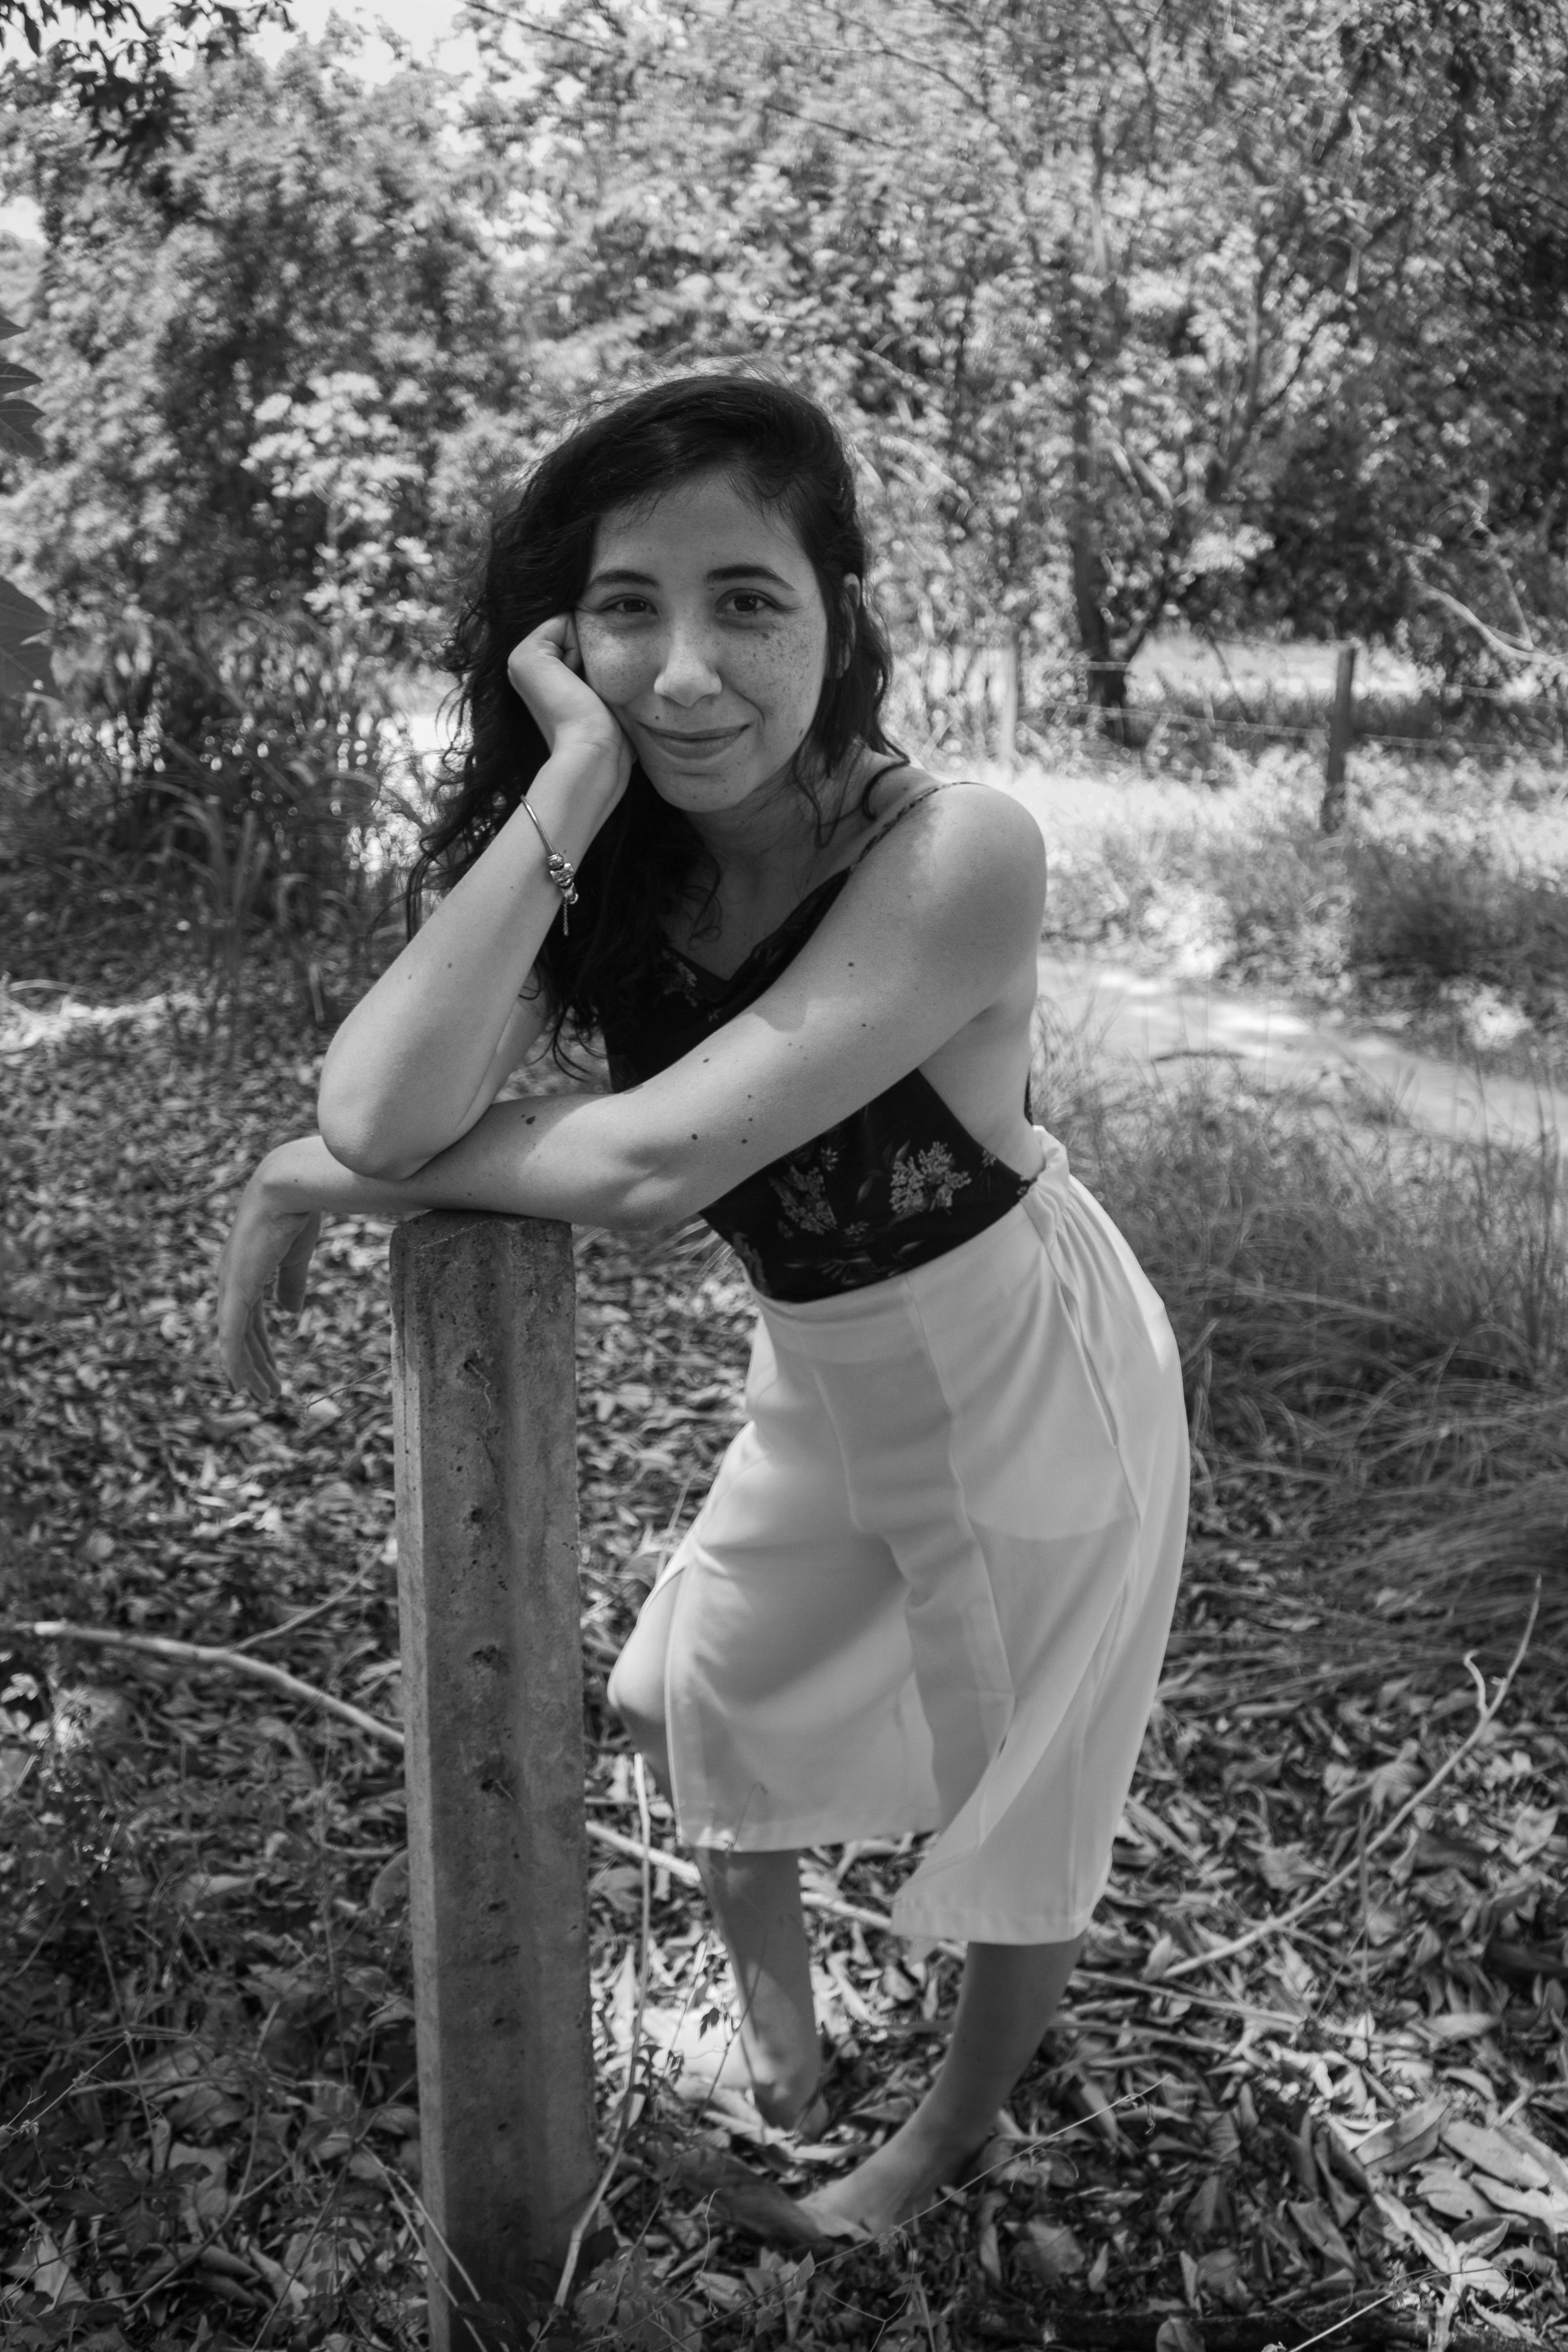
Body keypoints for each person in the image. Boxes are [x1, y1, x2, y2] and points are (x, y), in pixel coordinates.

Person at [215, 372, 1188, 2241]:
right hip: (827, 1365)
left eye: (747, 601)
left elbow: (645, 1173)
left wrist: (337, 1171)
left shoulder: (957, 851)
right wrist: (568, 791)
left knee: (1021, 1782)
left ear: (841, 618)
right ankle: (787, 2045)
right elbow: (391, 1093)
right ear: (557, 645)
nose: (683, 675)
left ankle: (936, 2150)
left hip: (1020, 1367)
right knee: (689, 1687)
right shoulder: (629, 852)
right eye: (623, 612)